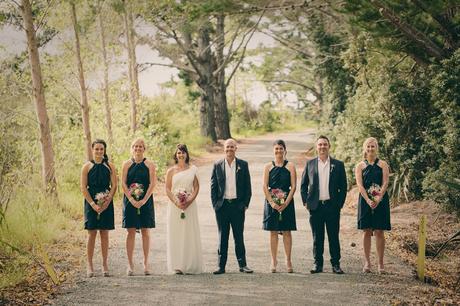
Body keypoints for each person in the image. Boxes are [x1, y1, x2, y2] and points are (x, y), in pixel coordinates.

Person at [300, 135, 347, 274]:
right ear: (316, 147)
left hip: (332, 206)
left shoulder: (338, 165)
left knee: (333, 236)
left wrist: (339, 204)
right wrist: (306, 202)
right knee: (317, 237)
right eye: (320, 144)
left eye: (325, 144)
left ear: (329, 146)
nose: (322, 147)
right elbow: (303, 185)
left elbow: (343, 187)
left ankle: (336, 264)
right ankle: (317, 264)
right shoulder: (310, 164)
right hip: (316, 207)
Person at [210, 138, 253, 274]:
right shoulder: (217, 165)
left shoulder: (243, 165)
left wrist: (245, 204)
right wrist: (215, 205)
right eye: (227, 147)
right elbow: (213, 187)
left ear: (236, 148)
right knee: (222, 236)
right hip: (222, 206)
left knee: (238, 236)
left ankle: (243, 265)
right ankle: (220, 266)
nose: (229, 149)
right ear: (224, 149)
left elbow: (248, 187)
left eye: (232, 147)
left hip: (237, 206)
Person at [80, 139, 117, 277]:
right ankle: (89, 265)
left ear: (104, 150)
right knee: (92, 234)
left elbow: (114, 186)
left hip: (106, 200)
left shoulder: (110, 166)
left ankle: (104, 264)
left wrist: (108, 201)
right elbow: (83, 187)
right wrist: (93, 204)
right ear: (92, 150)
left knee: (104, 233)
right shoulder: (87, 167)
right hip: (91, 202)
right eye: (97, 149)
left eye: (102, 149)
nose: (99, 151)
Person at [165, 144, 203, 274]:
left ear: (187, 154)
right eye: (178, 153)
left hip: (189, 205)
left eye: (183, 153)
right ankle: (177, 265)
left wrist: (189, 200)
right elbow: (167, 189)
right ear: (176, 155)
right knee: (176, 233)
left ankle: (189, 264)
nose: (181, 155)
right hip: (174, 206)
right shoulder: (171, 171)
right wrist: (176, 201)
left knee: (188, 233)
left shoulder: (193, 169)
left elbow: (196, 187)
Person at [355, 137, 391, 274]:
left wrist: (378, 198)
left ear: (376, 148)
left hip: (380, 201)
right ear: (365, 148)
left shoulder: (383, 164)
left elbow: (385, 182)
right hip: (365, 201)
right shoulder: (360, 166)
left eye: (373, 146)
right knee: (367, 231)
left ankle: (381, 264)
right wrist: (368, 200)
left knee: (379, 231)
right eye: (368, 146)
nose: (370, 149)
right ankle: (367, 262)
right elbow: (359, 184)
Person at [121, 138, 157, 276]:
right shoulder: (126, 164)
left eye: (140, 146)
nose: (138, 148)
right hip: (130, 201)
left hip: (145, 201)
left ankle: (146, 262)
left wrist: (143, 200)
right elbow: (123, 183)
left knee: (145, 232)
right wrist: (131, 198)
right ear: (132, 148)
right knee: (130, 232)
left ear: (144, 148)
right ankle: (130, 264)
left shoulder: (150, 164)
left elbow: (152, 184)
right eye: (135, 146)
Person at [262, 139, 297, 273]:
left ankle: (288, 260)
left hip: (287, 202)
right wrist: (272, 202)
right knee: (273, 232)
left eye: (281, 148)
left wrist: (286, 202)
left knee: (287, 231)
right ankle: (274, 260)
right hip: (271, 202)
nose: (278, 151)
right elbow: (264, 186)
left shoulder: (290, 166)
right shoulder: (268, 167)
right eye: (276, 149)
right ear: (273, 150)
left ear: (285, 150)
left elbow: (293, 186)